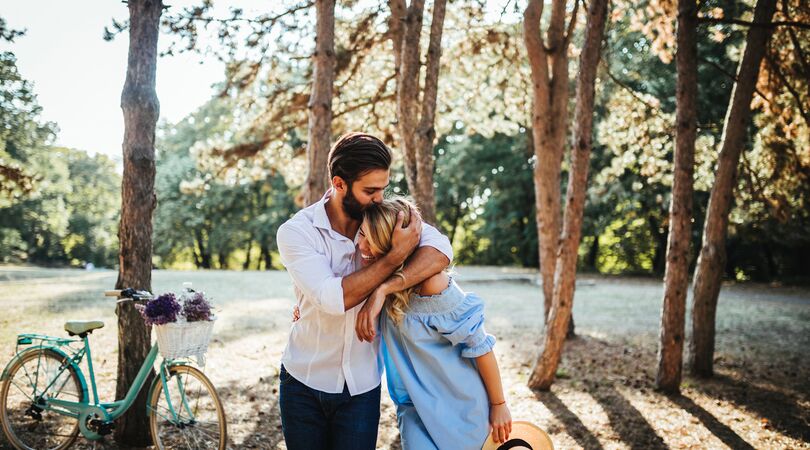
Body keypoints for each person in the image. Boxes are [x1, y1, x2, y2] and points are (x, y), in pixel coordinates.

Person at [275, 132, 453, 450]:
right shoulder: (297, 232)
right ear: (339, 184)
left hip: (362, 387)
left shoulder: (385, 217)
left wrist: (384, 289)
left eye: (383, 188)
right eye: (370, 191)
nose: (379, 199)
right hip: (303, 383)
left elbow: (441, 251)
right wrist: (394, 258)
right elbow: (333, 298)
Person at [354, 197, 512, 450]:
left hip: (461, 409)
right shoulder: (375, 277)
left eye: (370, 239)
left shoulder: (432, 284)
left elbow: (480, 345)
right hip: (414, 411)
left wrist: (499, 404)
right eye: (361, 233)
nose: (361, 245)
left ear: (391, 246)